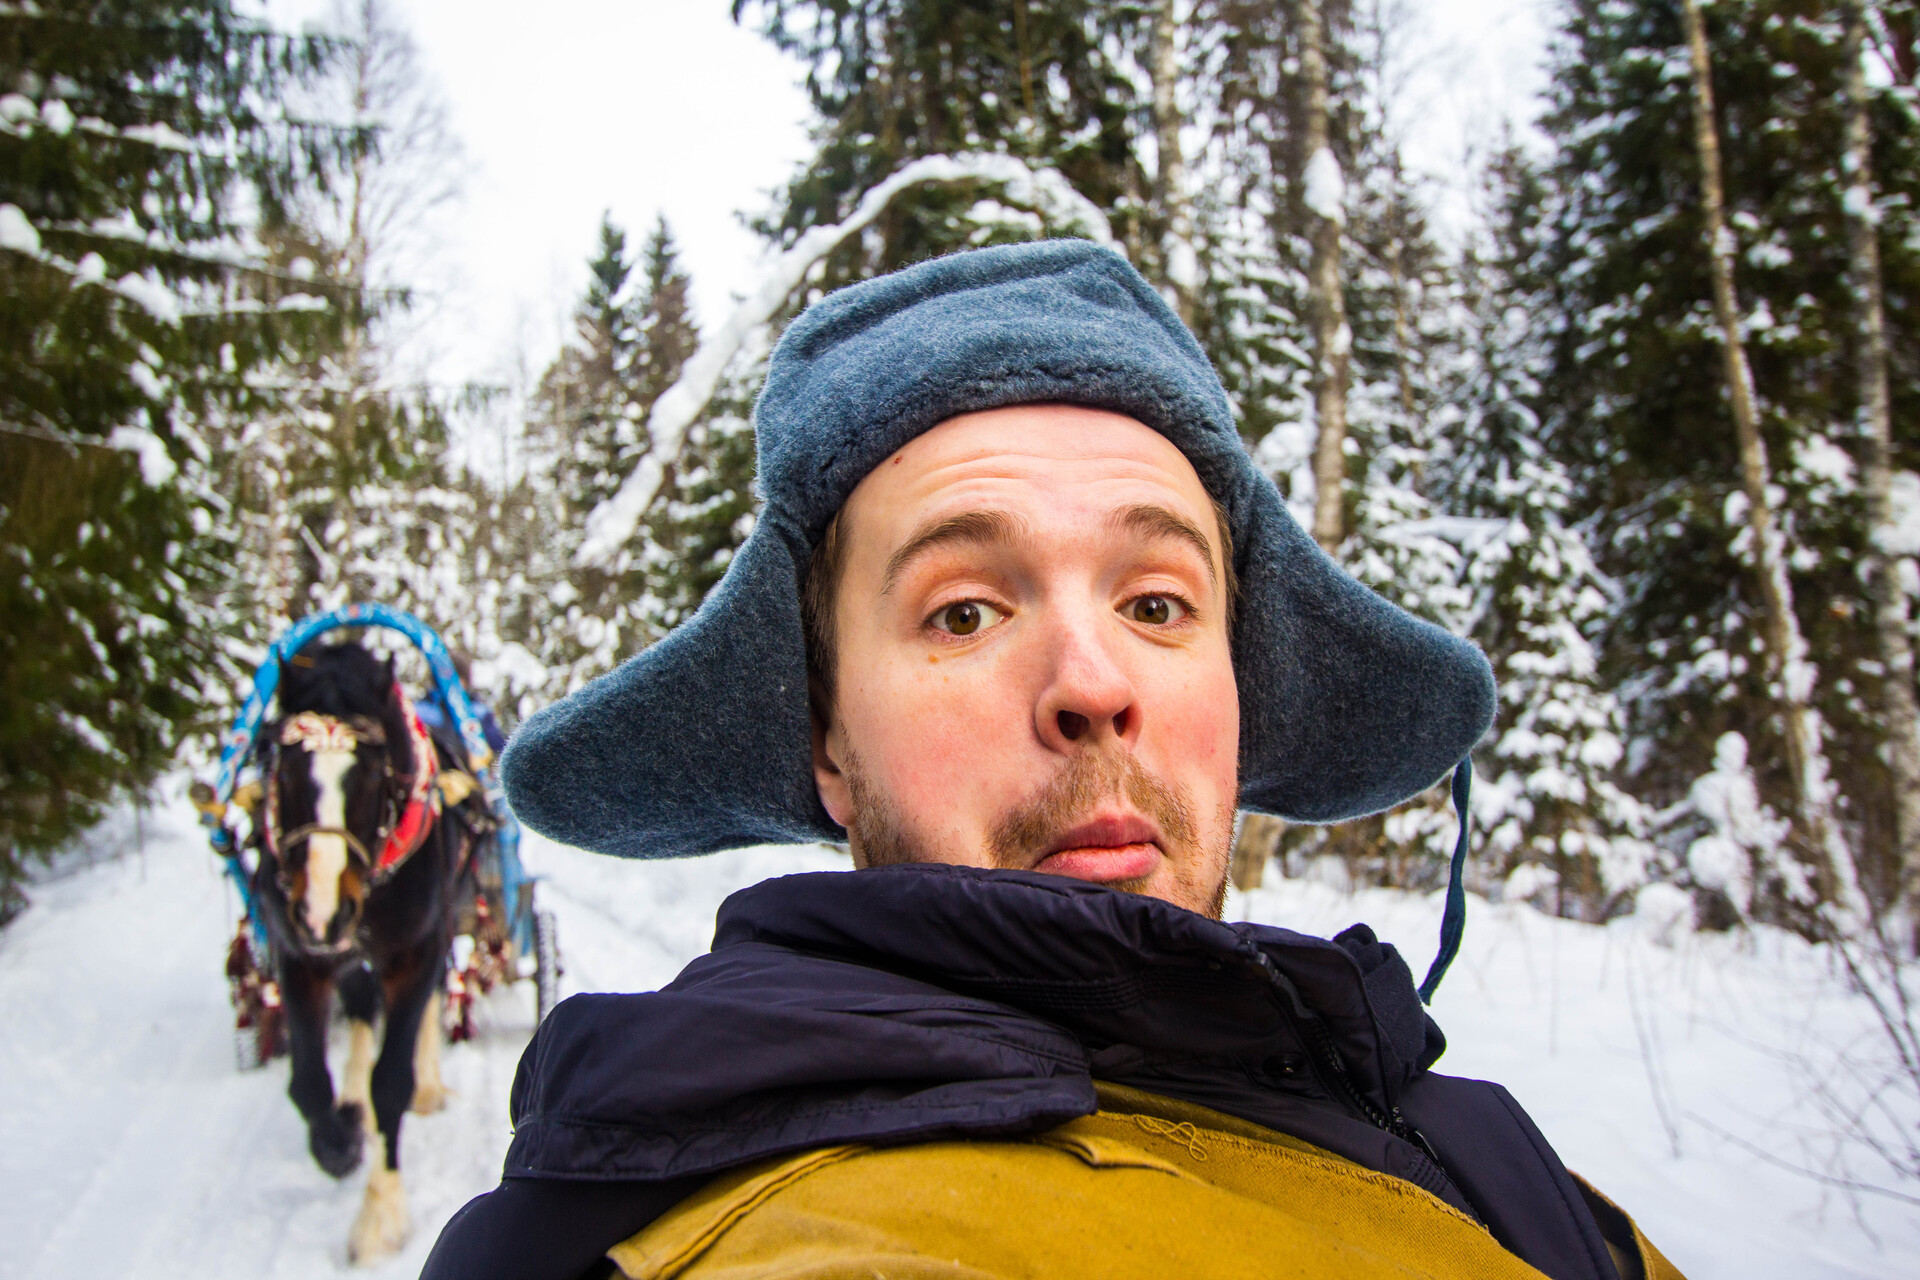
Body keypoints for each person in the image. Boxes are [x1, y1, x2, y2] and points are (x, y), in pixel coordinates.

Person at [423, 241, 1682, 1280]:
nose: (1093, 682)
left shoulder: (1503, 1165)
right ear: (826, 736)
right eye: (965, 610)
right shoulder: (760, 1233)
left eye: (1157, 603)